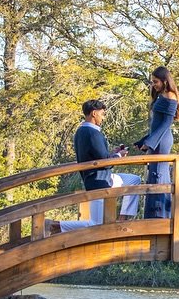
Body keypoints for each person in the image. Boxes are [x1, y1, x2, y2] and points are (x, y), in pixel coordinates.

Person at [52, 99, 141, 232]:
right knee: (95, 224)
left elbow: (98, 156)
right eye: (102, 114)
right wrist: (118, 156)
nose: (103, 117)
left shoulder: (81, 131)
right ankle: (56, 226)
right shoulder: (92, 133)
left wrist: (113, 154)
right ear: (94, 113)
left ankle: (122, 219)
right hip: (98, 182)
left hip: (102, 177)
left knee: (134, 180)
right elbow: (104, 162)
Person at [134, 66, 179, 219]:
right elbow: (156, 124)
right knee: (153, 172)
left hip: (161, 141)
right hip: (157, 138)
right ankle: (151, 215)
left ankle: (160, 215)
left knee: (159, 173)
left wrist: (150, 143)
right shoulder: (162, 95)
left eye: (155, 81)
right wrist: (143, 140)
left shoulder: (170, 96)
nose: (153, 84)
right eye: (152, 81)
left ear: (164, 81)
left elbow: (166, 123)